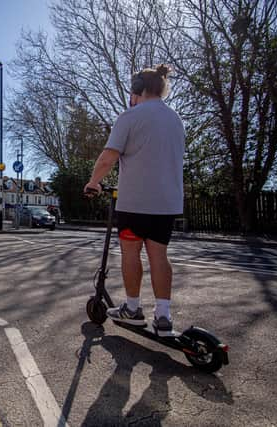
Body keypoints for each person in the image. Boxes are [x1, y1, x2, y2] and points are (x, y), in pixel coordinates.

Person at [83, 64, 184, 337]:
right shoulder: (175, 120)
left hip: (135, 203)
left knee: (131, 253)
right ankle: (163, 317)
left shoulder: (130, 117)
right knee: (159, 256)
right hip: (167, 204)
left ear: (138, 91)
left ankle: (132, 309)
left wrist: (93, 183)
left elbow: (107, 158)